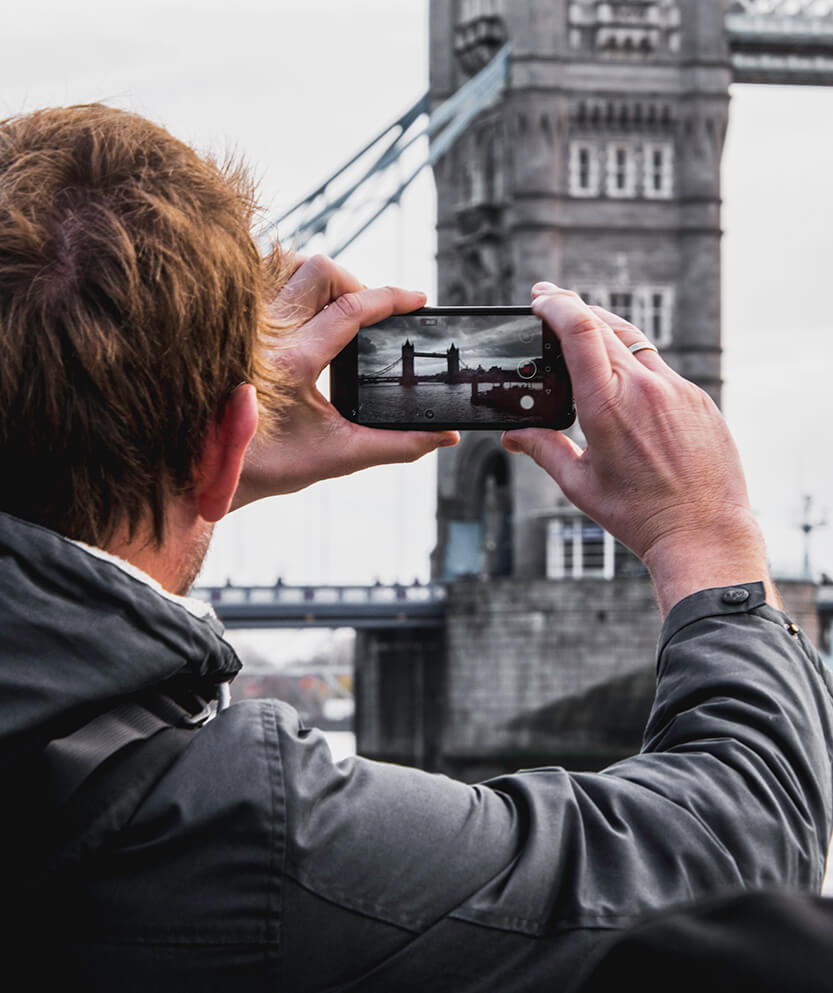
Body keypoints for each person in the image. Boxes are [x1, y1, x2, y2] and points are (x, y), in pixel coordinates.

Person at [0, 103, 831, 992]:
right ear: (232, 439)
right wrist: (708, 535)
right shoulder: (225, 831)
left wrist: (188, 466)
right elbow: (725, 857)